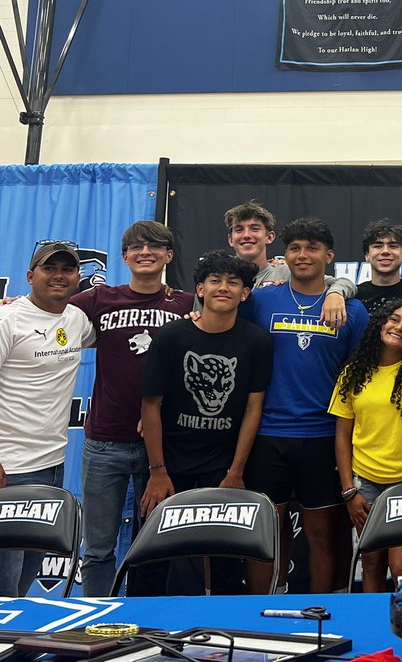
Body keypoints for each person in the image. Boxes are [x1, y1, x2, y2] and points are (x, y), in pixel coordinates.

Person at [64, 220, 196, 596]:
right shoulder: (100, 299)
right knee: (100, 547)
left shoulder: (185, 303)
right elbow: (50, 310)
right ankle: (94, 619)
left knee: (153, 545)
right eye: (136, 247)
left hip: (160, 445)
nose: (145, 252)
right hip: (105, 440)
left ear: (168, 256)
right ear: (124, 257)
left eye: (155, 246)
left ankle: (143, 617)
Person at [240, 217, 370, 593]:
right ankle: (262, 611)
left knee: (322, 534)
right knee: (268, 532)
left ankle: (323, 613)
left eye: (312, 248)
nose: (303, 255)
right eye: (295, 248)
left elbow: (359, 375)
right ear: (285, 255)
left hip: (324, 436)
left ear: (328, 256)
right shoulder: (262, 301)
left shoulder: (353, 312)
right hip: (267, 435)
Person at [139, 251, 273, 595]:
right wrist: (157, 470)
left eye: (233, 282)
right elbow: (150, 405)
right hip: (168, 467)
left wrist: (236, 471)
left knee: (227, 565)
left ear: (246, 293)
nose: (223, 288)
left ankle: (227, 640)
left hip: (223, 468)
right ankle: (141, 635)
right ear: (200, 288)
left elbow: (252, 408)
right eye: (215, 281)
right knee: (151, 564)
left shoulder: (256, 340)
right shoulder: (172, 337)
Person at [0, 241, 96, 597]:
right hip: (9, 470)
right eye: (49, 268)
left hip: (53, 466)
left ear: (77, 277)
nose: (58, 276)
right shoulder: (8, 318)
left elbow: (121, 335)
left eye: (67, 269)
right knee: (4, 588)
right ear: (30, 276)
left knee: (23, 583)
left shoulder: (76, 319)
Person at [329, 300, 402, 590]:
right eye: (394, 320)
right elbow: (342, 436)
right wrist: (349, 490)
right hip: (365, 484)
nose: (399, 328)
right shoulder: (354, 373)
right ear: (380, 324)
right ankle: (373, 635)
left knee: (401, 568)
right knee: (371, 564)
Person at [222, 200, 355, 327]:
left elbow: (343, 282)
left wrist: (336, 294)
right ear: (230, 239)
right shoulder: (217, 277)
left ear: (270, 237)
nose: (246, 235)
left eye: (255, 229)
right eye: (239, 229)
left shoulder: (286, 271)